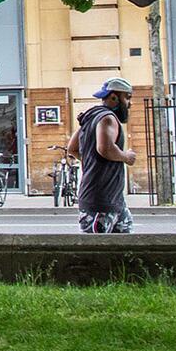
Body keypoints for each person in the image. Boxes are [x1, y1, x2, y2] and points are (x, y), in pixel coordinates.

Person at [74, 77, 138, 234]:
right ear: (114, 97)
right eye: (127, 97)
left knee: (126, 250)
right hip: (100, 202)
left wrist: (92, 162)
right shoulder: (108, 118)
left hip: (114, 201)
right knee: (96, 252)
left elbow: (72, 148)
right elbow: (105, 148)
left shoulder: (90, 117)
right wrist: (126, 157)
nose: (130, 103)